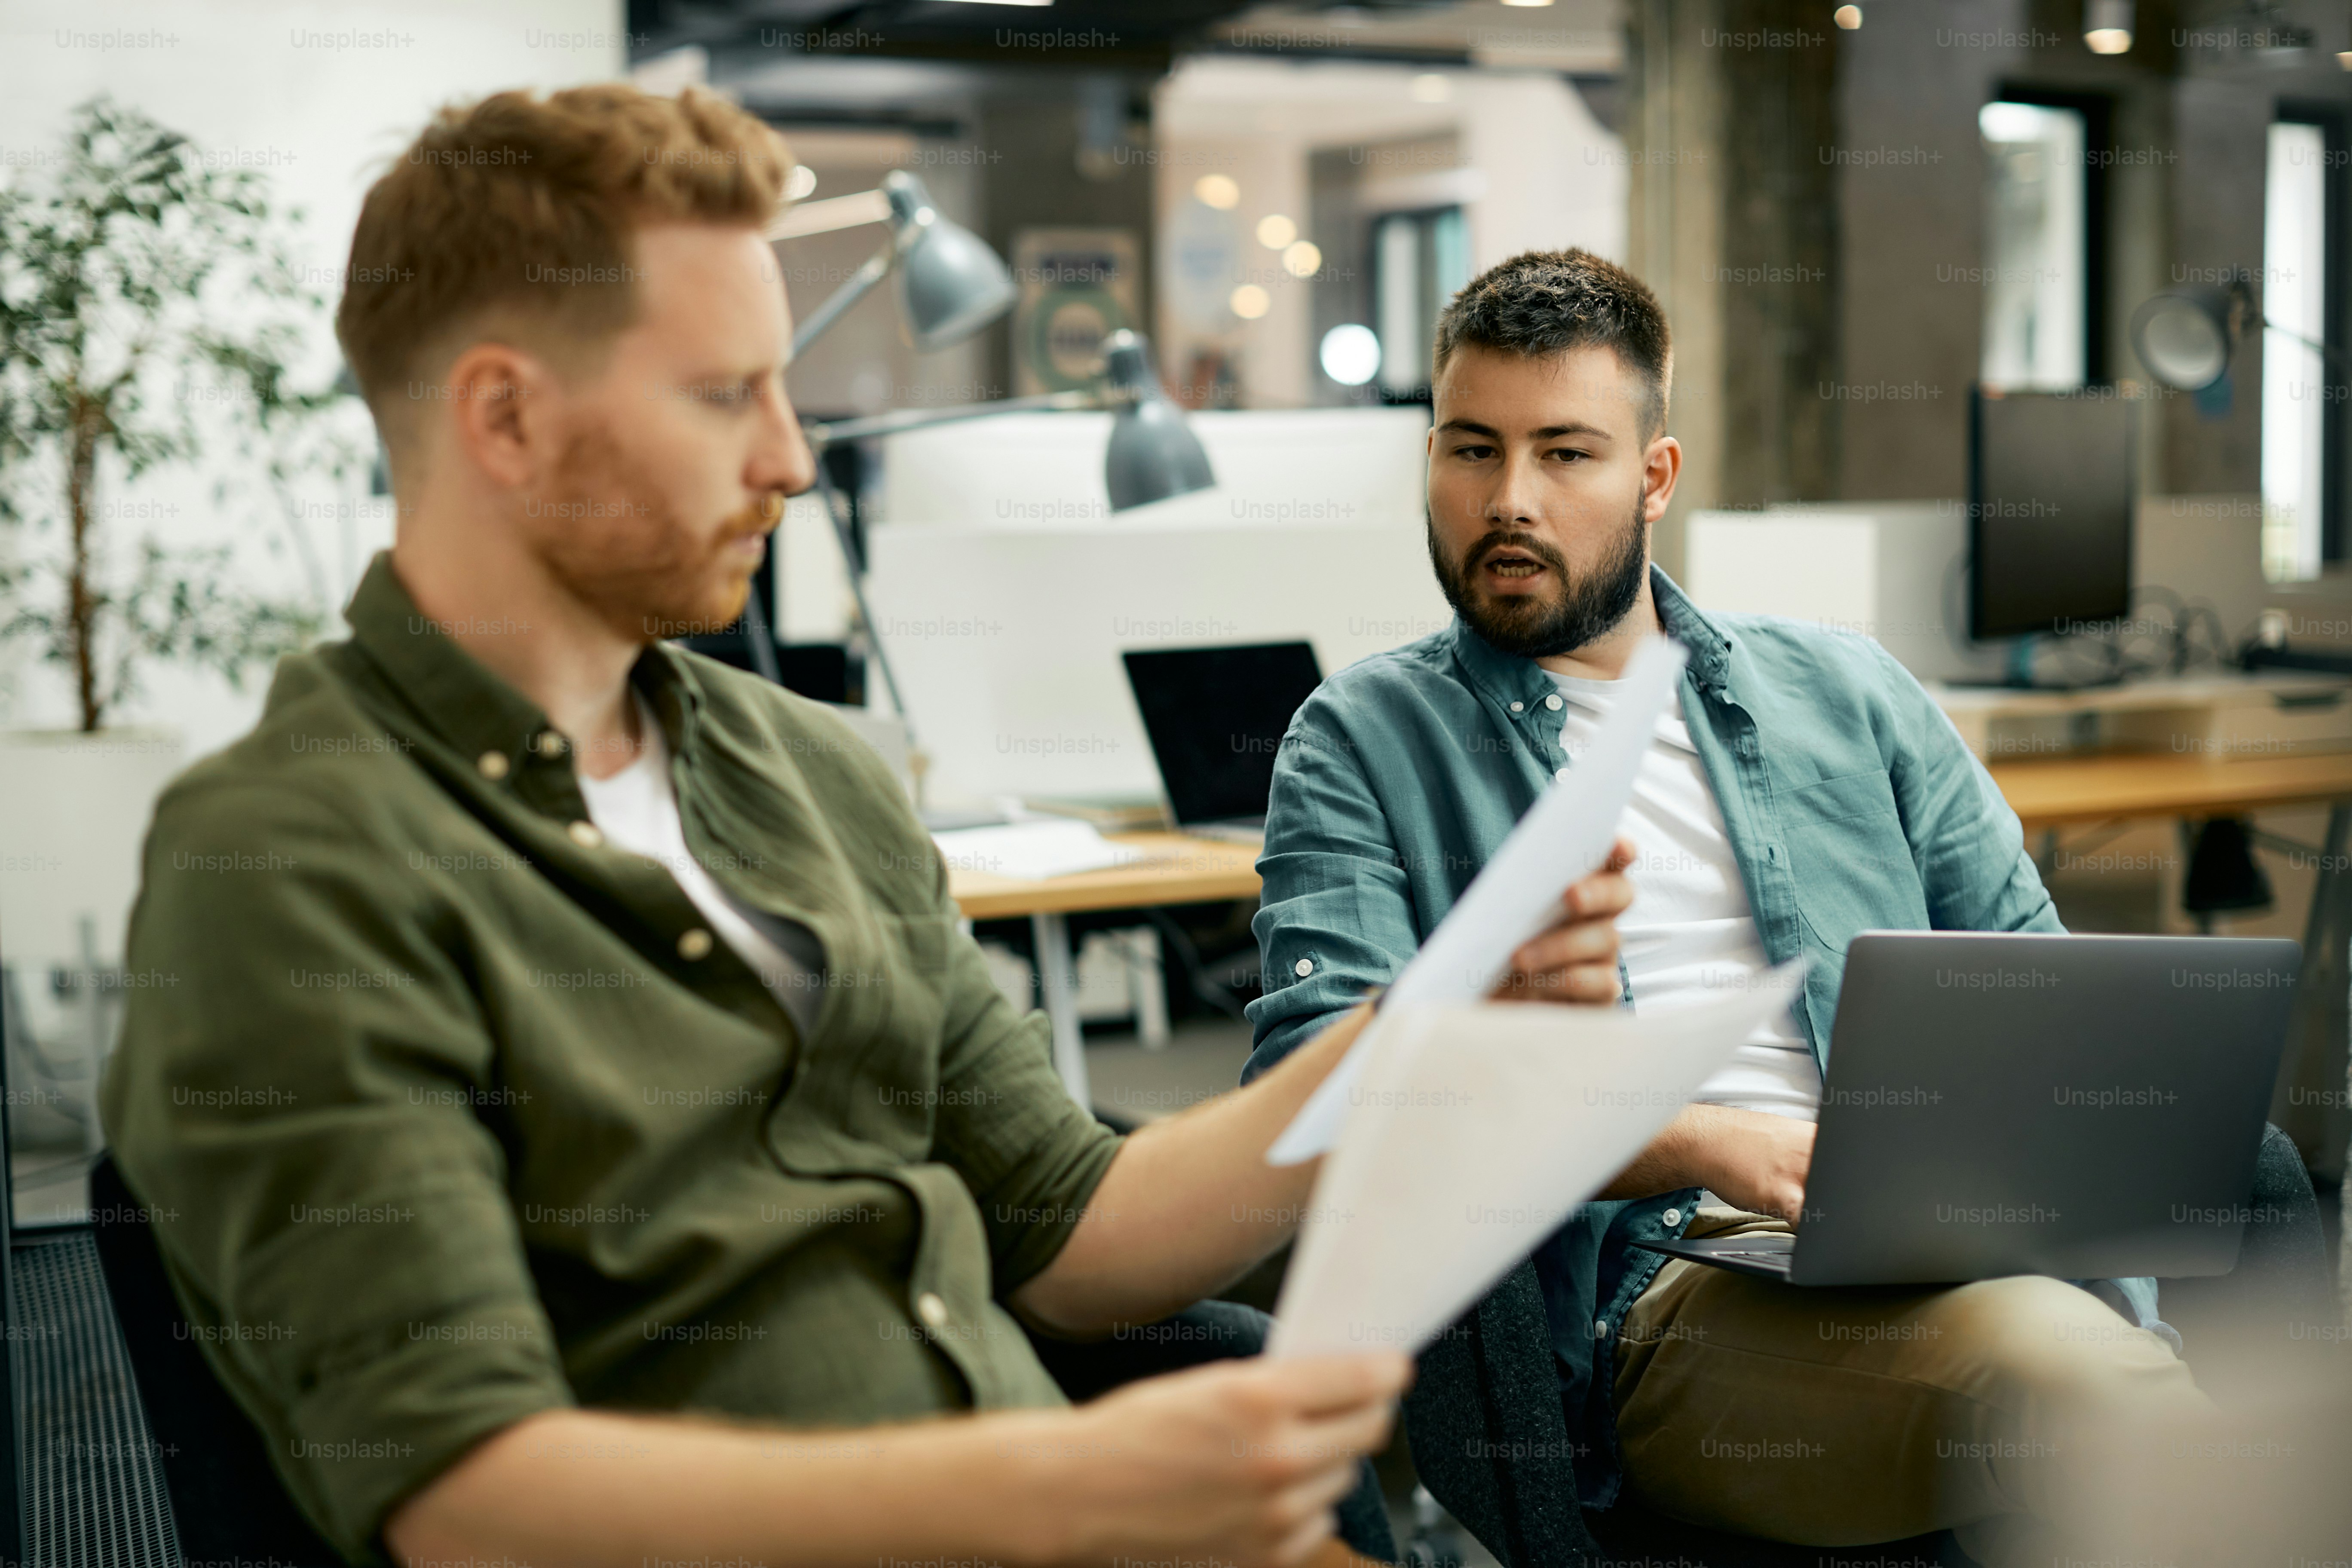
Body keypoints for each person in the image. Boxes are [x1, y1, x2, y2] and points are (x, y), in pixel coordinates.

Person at [97, 86, 1637, 1568]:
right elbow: (470, 1499)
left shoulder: (807, 773)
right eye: (725, 395)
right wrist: (1065, 1486)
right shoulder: (298, 861)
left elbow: (1072, 1231)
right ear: (505, 417)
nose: (790, 456)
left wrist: (1408, 1039)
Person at [1243, 248, 2222, 1567]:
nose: (1509, 499)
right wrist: (1697, 1141)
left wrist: (2086, 1254)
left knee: (2118, 1372)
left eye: (1565, 453)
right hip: (1669, 1289)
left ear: (1655, 478)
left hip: (1925, 1229)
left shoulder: (1849, 692)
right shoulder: (1363, 739)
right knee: (2077, 1386)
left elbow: (2042, 994)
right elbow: (1312, 1101)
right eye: (1473, 450)